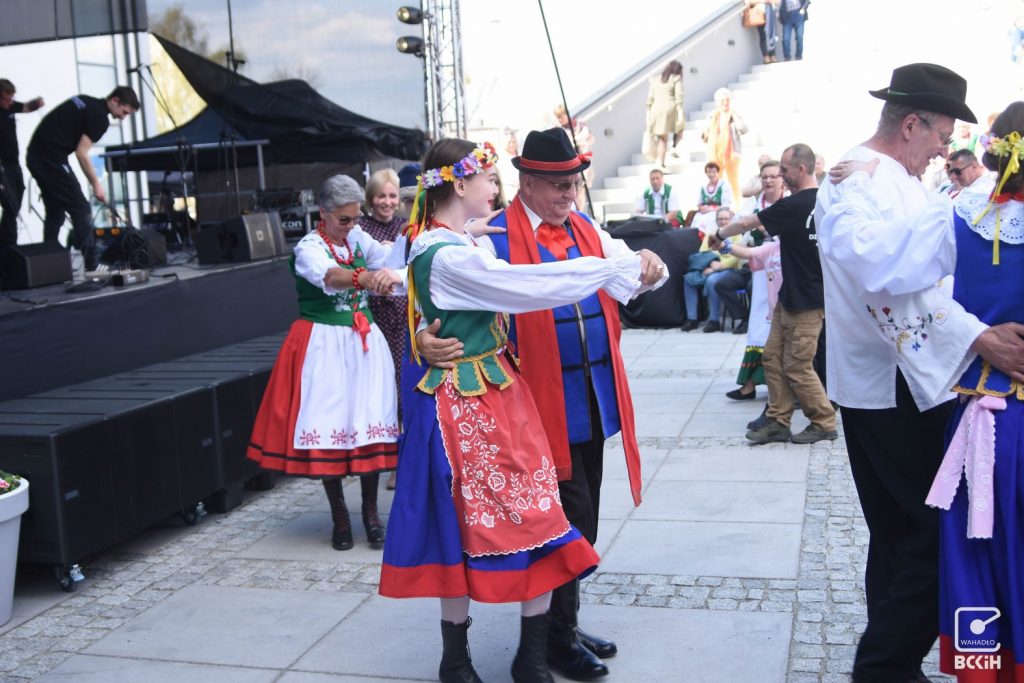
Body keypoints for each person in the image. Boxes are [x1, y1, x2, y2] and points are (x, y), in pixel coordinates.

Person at [378, 137, 657, 683]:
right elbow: (504, 287)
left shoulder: (475, 238)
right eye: (488, 179)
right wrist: (420, 337)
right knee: (481, 528)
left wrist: (633, 264)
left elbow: (441, 279)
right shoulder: (456, 248)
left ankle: (549, 640)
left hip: (523, 401)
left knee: (555, 519)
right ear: (459, 184)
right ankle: (496, 655)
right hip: (477, 411)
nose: (495, 188)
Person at [814, 63, 1024, 682]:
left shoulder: (893, 177)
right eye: (941, 136)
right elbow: (885, 286)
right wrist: (978, 333)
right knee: (932, 532)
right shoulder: (861, 181)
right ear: (912, 124)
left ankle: (893, 662)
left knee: (899, 529)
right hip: (895, 382)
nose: (944, 151)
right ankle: (883, 666)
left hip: (909, 375)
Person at [247, 174, 403, 552]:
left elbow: (388, 258)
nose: (351, 226)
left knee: (369, 422)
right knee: (330, 421)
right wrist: (367, 278)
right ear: (325, 213)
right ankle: (340, 517)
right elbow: (330, 277)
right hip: (325, 344)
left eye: (355, 218)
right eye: (344, 220)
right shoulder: (309, 247)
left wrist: (398, 257)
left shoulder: (357, 238)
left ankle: (370, 513)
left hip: (364, 344)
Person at [711, 143, 835, 444]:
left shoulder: (795, 205)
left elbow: (746, 223)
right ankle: (778, 420)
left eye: (784, 170)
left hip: (807, 300)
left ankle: (824, 422)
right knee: (771, 357)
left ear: (801, 169)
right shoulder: (827, 201)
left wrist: (719, 235)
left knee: (797, 365)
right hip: (790, 298)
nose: (780, 175)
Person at [26, 86, 138, 270]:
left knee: (56, 211)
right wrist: (97, 185)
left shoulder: (85, 100)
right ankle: (92, 264)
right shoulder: (100, 118)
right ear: (115, 101)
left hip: (36, 156)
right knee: (81, 208)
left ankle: (48, 263)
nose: (123, 117)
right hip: (50, 159)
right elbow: (81, 152)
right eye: (124, 112)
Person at [359, 168, 408, 493]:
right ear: (370, 198)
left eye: (392, 195)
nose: (387, 202)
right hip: (375, 315)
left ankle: (401, 462)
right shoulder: (360, 228)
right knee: (382, 388)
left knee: (404, 387)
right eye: (381, 195)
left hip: (402, 315)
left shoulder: (406, 226)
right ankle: (385, 459)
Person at [723, 159, 785, 399]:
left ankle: (790, 387)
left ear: (783, 179)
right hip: (761, 273)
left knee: (783, 327)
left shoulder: (787, 205)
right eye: (765, 176)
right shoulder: (754, 206)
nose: (769, 180)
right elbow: (740, 229)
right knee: (759, 324)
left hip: (785, 273)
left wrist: (765, 229)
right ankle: (749, 383)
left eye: (774, 176)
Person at [682, 207, 744, 333]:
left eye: (726, 218)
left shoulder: (736, 234)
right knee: (688, 279)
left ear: (731, 219)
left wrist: (720, 265)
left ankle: (714, 320)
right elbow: (703, 252)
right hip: (710, 266)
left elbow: (737, 258)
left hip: (729, 269)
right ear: (716, 220)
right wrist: (710, 264)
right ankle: (692, 319)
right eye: (720, 219)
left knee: (712, 280)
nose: (723, 221)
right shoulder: (711, 234)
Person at [0, 79, 43, 249]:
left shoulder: (9, 106)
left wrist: (37, 103)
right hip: (2, 166)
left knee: (17, 200)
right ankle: (8, 247)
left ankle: (5, 246)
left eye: (11, 99)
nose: (9, 102)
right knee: (10, 205)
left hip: (14, 163)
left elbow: (25, 107)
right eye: (5, 99)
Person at [702, 88, 747, 200]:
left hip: (731, 154)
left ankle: (737, 205)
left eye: (727, 100)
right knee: (716, 181)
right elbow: (705, 134)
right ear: (718, 103)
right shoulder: (713, 115)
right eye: (722, 101)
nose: (725, 103)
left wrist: (736, 117)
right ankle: (716, 203)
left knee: (734, 182)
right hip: (715, 154)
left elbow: (743, 129)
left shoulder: (733, 114)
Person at [645, 60, 684, 169]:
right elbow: (679, 96)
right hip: (671, 109)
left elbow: (649, 99)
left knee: (662, 138)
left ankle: (661, 163)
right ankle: (674, 147)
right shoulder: (676, 79)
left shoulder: (655, 80)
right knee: (680, 129)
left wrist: (647, 115)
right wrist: (680, 112)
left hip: (656, 110)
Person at [553, 104, 594, 186]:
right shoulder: (558, 129)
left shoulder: (579, 123)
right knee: (577, 189)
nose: (559, 120)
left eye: (561, 116)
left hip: (584, 160)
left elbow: (591, 138)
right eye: (558, 117)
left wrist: (583, 143)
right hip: (571, 166)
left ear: (566, 114)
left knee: (584, 186)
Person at [690, 161, 735, 234]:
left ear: (718, 172)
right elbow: (699, 203)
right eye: (709, 172)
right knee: (697, 220)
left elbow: (726, 205)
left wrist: (710, 209)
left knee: (709, 220)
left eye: (714, 171)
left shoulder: (724, 185)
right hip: (703, 213)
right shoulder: (703, 187)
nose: (711, 174)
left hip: (719, 213)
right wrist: (701, 208)